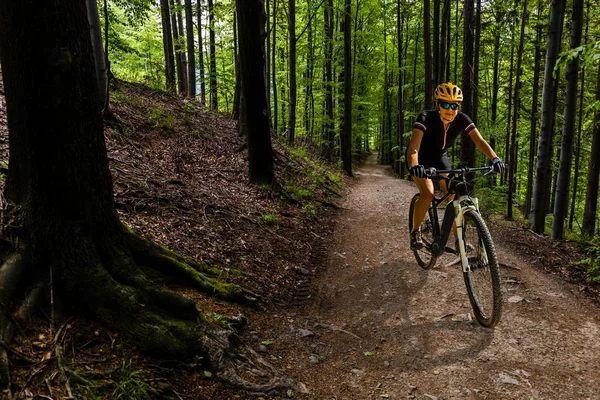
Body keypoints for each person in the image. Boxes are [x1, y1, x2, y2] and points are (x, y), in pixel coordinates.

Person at [406, 82, 506, 250]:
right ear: (438, 104)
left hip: (440, 157)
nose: (450, 109)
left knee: (453, 196)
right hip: (421, 158)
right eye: (445, 104)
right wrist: (415, 165)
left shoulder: (461, 119)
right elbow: (413, 147)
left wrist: (495, 158)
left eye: (454, 105)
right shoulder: (425, 117)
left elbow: (479, 140)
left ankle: (459, 241)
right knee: (428, 193)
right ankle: (416, 231)